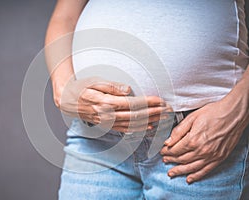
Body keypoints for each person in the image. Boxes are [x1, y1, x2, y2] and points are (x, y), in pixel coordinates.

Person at [45, 0, 249, 199]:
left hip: (196, 138)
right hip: (96, 137)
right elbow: (65, 17)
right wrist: (63, 89)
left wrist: (239, 107)